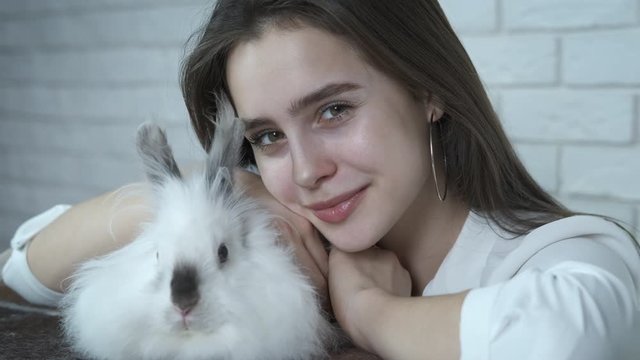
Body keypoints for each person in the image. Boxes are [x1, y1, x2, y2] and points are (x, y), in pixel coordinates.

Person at [2, 1, 640, 359]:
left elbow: (565, 339)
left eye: (334, 110)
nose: (307, 172)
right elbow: (23, 272)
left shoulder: (560, 256)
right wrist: (184, 203)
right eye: (268, 137)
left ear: (428, 91)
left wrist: (369, 311)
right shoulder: (270, 251)